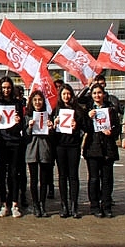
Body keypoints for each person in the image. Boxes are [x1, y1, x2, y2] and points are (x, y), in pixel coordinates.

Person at [83, 83, 119, 218]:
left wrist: (112, 132)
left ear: (103, 94)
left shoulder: (111, 109)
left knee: (107, 179)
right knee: (93, 179)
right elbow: (85, 129)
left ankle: (107, 205)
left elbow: (117, 128)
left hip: (108, 148)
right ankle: (94, 206)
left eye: (99, 93)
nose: (97, 95)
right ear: (91, 96)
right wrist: (88, 118)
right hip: (92, 148)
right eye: (94, 93)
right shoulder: (88, 109)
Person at [0, 76, 25, 218]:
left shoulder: (17, 103)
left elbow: (22, 124)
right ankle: (4, 203)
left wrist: (19, 121)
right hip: (1, 142)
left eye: (8, 87)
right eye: (4, 87)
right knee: (2, 174)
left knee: (14, 173)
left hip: (15, 142)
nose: (6, 90)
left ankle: (14, 203)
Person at [52, 83, 87, 218]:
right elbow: (50, 130)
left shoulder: (78, 110)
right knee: (62, 176)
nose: (66, 96)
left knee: (73, 176)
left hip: (73, 146)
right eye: (64, 94)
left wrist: (76, 126)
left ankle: (74, 205)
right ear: (60, 95)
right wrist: (54, 124)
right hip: (60, 145)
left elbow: (85, 128)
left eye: (68, 94)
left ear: (71, 95)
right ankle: (64, 205)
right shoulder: (56, 110)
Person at [24, 90, 54, 217]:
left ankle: (43, 204)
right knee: (34, 179)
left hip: (45, 150)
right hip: (32, 150)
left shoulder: (48, 115)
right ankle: (35, 204)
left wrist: (51, 128)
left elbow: (53, 137)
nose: (37, 102)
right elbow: (24, 136)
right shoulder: (27, 116)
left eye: (40, 100)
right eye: (35, 100)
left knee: (44, 179)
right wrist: (29, 127)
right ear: (31, 102)